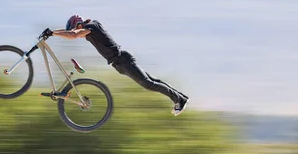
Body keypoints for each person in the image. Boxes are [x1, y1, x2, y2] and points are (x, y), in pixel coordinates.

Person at [46, 15, 190, 116]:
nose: (80, 35)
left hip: (123, 60)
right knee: (153, 81)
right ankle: (181, 98)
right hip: (120, 64)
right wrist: (52, 32)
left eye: (75, 29)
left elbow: (72, 35)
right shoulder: (89, 31)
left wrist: (53, 33)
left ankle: (179, 100)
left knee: (148, 84)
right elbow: (72, 33)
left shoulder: (91, 26)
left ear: (78, 24)